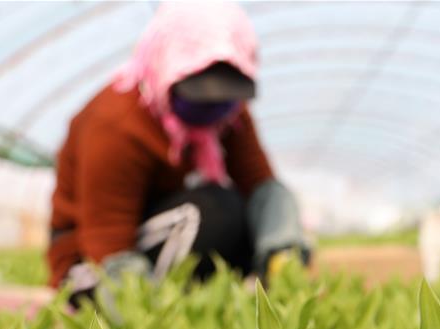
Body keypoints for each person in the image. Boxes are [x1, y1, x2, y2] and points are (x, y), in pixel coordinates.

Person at [47, 2, 307, 298]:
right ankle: (161, 300)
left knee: (253, 211)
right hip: (90, 260)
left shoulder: (229, 115)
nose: (213, 107)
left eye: (225, 98)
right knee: (212, 214)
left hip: (160, 234)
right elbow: (107, 240)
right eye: (198, 95)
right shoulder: (116, 124)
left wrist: (282, 248)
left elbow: (261, 185)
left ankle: (251, 292)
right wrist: (149, 314)